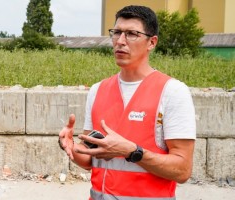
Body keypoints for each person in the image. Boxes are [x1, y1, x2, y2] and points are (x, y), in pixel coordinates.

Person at [59, 5, 196, 200]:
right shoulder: (98, 90)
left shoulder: (172, 92)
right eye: (117, 33)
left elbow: (182, 170)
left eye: (132, 34)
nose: (120, 41)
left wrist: (132, 152)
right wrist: (70, 145)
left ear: (152, 42)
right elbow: (90, 160)